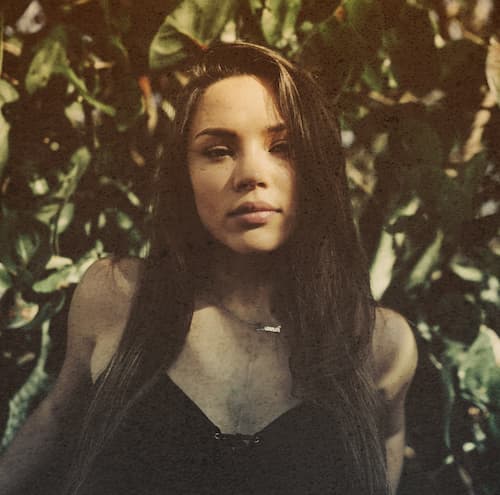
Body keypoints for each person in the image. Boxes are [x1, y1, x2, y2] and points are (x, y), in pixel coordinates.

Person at [0, 42, 417, 495]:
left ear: (319, 168)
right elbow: (57, 420)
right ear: (185, 176)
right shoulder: (114, 297)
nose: (250, 174)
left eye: (284, 146)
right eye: (218, 151)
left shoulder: (379, 345)